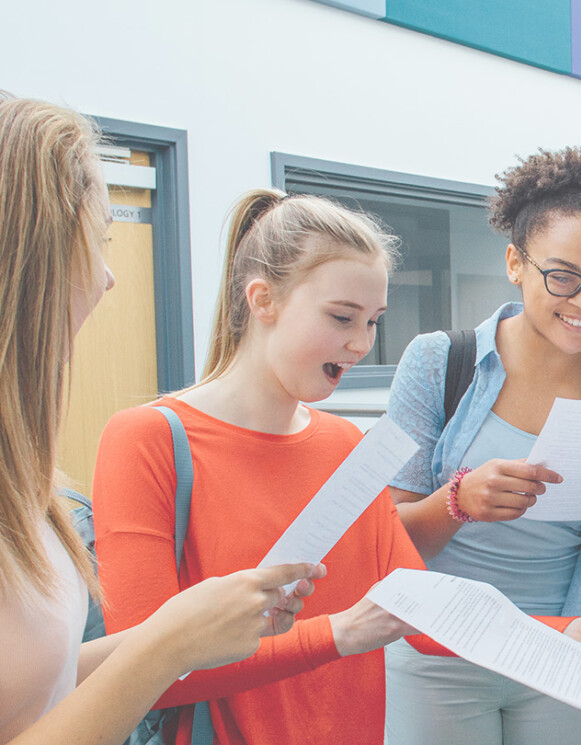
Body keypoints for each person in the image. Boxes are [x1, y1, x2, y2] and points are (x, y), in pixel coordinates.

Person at [94, 186, 581, 745]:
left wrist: (565, 634)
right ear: (262, 299)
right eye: (342, 317)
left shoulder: (345, 444)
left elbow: (423, 614)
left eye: (373, 321)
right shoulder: (149, 439)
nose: (361, 345)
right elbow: (139, 671)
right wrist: (339, 634)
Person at [0, 94, 325, 745]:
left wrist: (184, 632)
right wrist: (171, 641)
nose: (110, 275)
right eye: (101, 240)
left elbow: (41, 682)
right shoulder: (148, 433)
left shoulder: (28, 482)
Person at [383, 146, 581, 745]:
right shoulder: (439, 361)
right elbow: (386, 542)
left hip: (567, 647)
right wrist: (459, 500)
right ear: (515, 262)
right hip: (438, 652)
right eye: (563, 277)